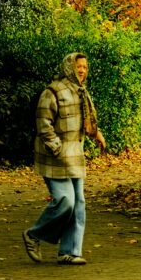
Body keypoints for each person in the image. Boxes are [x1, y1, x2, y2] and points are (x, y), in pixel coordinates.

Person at [22, 52, 106, 266]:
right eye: (78, 66)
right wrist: (56, 148)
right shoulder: (53, 91)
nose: (82, 70)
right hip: (54, 157)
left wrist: (97, 135)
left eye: (85, 67)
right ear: (69, 67)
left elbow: (86, 121)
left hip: (75, 155)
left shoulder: (81, 92)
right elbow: (43, 123)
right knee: (65, 201)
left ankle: (69, 252)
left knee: (78, 204)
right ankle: (34, 235)